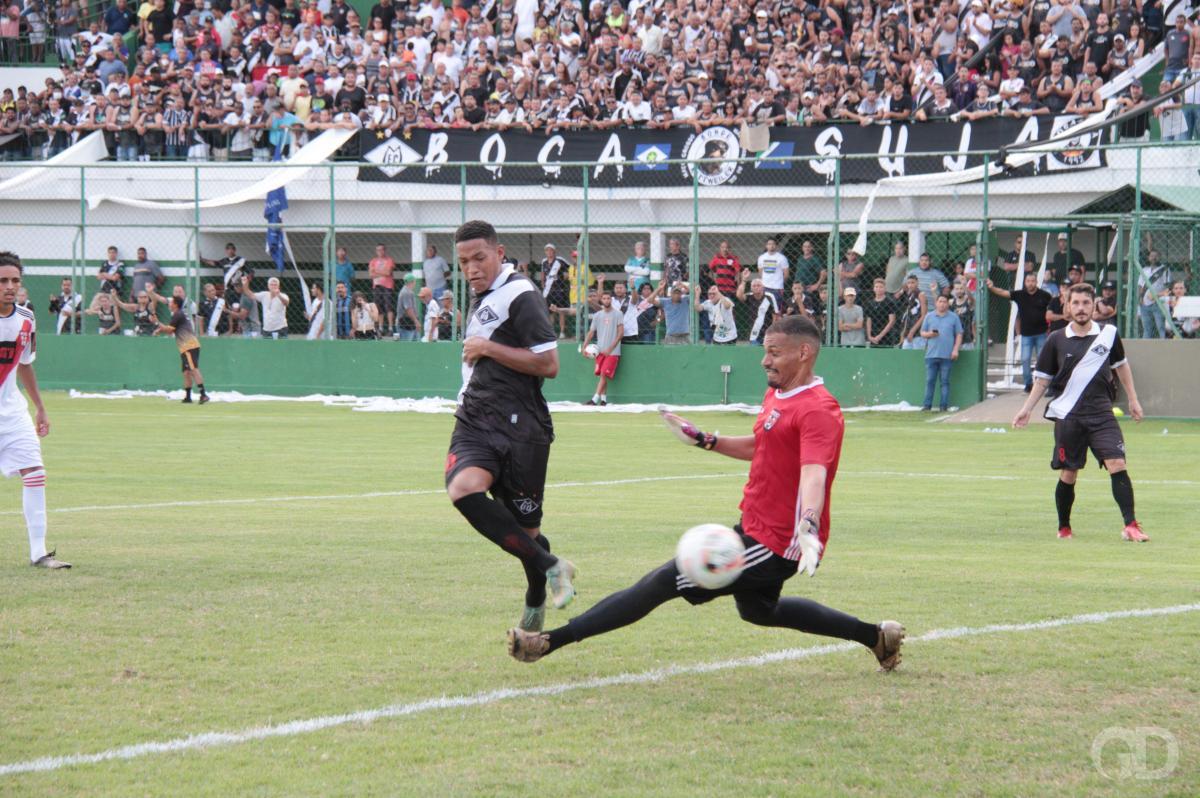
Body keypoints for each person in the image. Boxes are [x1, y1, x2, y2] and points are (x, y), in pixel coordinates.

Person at [507, 314, 904, 670]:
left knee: (664, 580)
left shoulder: (818, 409)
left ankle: (547, 642)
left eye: (774, 353)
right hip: (754, 526)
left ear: (804, 353)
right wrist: (705, 440)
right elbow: (761, 448)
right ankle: (876, 636)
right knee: (759, 611)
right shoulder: (778, 394)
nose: (765, 360)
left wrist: (809, 524)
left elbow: (814, 474)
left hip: (780, 539)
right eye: (765, 352)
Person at [445, 220, 577, 634]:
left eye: (479, 258)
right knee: (462, 487)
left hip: (522, 430)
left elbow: (548, 364)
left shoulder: (521, 294)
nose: (471, 268)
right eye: (464, 261)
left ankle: (536, 595)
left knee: (526, 534)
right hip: (476, 419)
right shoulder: (484, 295)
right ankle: (552, 566)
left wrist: (487, 348)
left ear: (499, 254)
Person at [1013, 283, 1148, 542]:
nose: (1081, 308)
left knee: (1117, 463)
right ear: (1067, 306)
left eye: (1086, 303)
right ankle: (1064, 527)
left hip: (1102, 415)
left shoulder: (1108, 334)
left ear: (1094, 305)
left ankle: (1130, 525)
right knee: (1069, 473)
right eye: (1075, 303)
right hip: (1069, 417)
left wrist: (1133, 400)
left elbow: (1122, 367)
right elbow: (1042, 380)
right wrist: (1026, 409)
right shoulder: (1056, 339)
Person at [0, 252, 69, 568]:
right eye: (3, 281)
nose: (9, 287)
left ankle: (39, 553)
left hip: (13, 412)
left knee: (35, 471)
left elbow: (25, 364)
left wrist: (40, 408)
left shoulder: (26, 318)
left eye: (15, 281)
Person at [987, 272, 1053, 392]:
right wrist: (991, 287)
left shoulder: (1045, 295)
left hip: (1041, 334)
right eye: (1028, 281)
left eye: (1033, 281)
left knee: (1042, 360)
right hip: (1026, 335)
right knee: (1025, 359)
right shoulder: (1020, 294)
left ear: (1037, 282)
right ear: (1025, 282)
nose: (1030, 283)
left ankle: (1042, 384)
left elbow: (1053, 306)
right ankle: (1028, 384)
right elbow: (1003, 292)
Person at [155, 294, 209, 404]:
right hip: (185, 347)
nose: (169, 304)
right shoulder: (177, 315)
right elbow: (170, 329)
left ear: (175, 304)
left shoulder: (178, 315)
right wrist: (159, 329)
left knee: (193, 369)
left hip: (189, 346)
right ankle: (188, 397)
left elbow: (169, 330)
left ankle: (203, 394)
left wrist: (156, 322)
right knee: (186, 372)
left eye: (171, 302)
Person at [919, 295, 963, 412]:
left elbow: (959, 334)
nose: (942, 304)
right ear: (936, 303)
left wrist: (955, 349)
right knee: (930, 381)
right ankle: (927, 405)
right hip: (931, 355)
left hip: (947, 356)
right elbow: (922, 333)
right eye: (940, 301)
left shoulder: (954, 317)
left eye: (944, 301)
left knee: (945, 382)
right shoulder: (929, 316)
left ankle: (943, 406)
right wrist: (930, 335)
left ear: (948, 304)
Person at [581, 290, 623, 405]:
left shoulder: (618, 314)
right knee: (601, 375)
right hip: (599, 351)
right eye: (604, 298)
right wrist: (584, 347)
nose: (606, 300)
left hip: (613, 352)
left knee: (604, 374)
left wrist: (610, 348)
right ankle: (604, 400)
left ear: (611, 299)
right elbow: (591, 332)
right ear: (601, 300)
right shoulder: (597, 315)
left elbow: (620, 334)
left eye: (608, 298)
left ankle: (594, 400)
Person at [540, 243, 571, 340]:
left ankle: (562, 332)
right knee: (550, 312)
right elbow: (542, 273)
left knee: (560, 311)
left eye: (551, 250)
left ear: (554, 251)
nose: (549, 252)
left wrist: (567, 276)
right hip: (548, 291)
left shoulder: (560, 260)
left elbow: (570, 269)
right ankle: (551, 332)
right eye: (547, 250)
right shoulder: (544, 262)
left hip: (559, 290)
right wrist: (542, 282)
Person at [368, 243, 396, 336]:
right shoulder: (373, 261)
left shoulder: (389, 260)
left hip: (387, 286)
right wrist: (382, 273)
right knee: (379, 308)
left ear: (384, 250)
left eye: (381, 250)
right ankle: (380, 328)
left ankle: (390, 328)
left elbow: (388, 272)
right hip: (377, 286)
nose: (380, 252)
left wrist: (376, 271)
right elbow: (371, 275)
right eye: (378, 250)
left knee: (388, 307)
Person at [863, 278, 898, 347]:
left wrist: (880, 336)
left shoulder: (889, 302)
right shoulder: (870, 303)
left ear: (885, 289)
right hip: (873, 335)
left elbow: (892, 321)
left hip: (887, 336)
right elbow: (869, 320)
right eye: (876, 287)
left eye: (881, 287)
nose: (878, 289)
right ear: (873, 288)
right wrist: (869, 336)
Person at [897, 275, 928, 349]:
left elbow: (924, 315)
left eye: (912, 282)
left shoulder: (921, 295)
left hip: (918, 333)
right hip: (908, 332)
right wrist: (904, 332)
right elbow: (907, 315)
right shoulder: (910, 295)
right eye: (908, 283)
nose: (910, 285)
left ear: (917, 283)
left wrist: (912, 331)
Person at [755, 237, 788, 305]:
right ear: (766, 246)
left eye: (773, 244)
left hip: (777, 288)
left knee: (776, 310)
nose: (771, 246)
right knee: (764, 309)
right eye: (769, 244)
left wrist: (780, 283)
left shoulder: (782, 258)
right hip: (765, 287)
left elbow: (786, 274)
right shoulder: (761, 258)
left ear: (776, 245)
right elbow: (760, 273)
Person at [395, 273, 420, 341]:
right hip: (406, 324)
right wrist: (416, 321)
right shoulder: (407, 292)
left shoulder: (406, 291)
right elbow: (408, 309)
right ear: (412, 281)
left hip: (408, 323)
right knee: (407, 346)